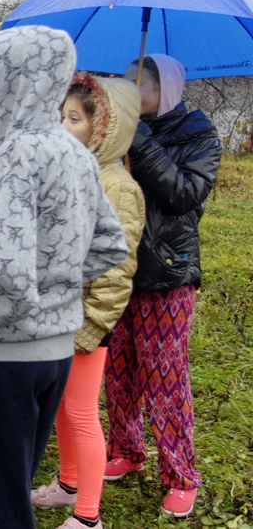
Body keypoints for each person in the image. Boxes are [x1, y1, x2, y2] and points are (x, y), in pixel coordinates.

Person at [0, 25, 128, 529]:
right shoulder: (73, 150)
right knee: (10, 487)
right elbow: (111, 244)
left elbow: (5, 276)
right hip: (55, 351)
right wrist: (58, 283)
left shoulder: (19, 154)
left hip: (6, 355)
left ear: (18, 77)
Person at [103, 54, 221, 517]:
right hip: (120, 268)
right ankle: (127, 450)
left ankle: (181, 474)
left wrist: (142, 139)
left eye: (140, 85)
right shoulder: (125, 129)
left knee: (165, 374)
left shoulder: (199, 134)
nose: (131, 93)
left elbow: (182, 195)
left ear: (164, 88)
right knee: (119, 367)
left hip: (167, 272)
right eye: (127, 85)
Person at [31, 73, 145, 529]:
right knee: (60, 404)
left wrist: (91, 327)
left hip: (86, 322)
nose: (63, 127)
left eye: (74, 119)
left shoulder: (117, 186)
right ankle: (70, 482)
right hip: (59, 313)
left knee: (81, 411)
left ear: (104, 128)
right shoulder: (74, 171)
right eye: (61, 116)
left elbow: (118, 273)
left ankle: (88, 516)